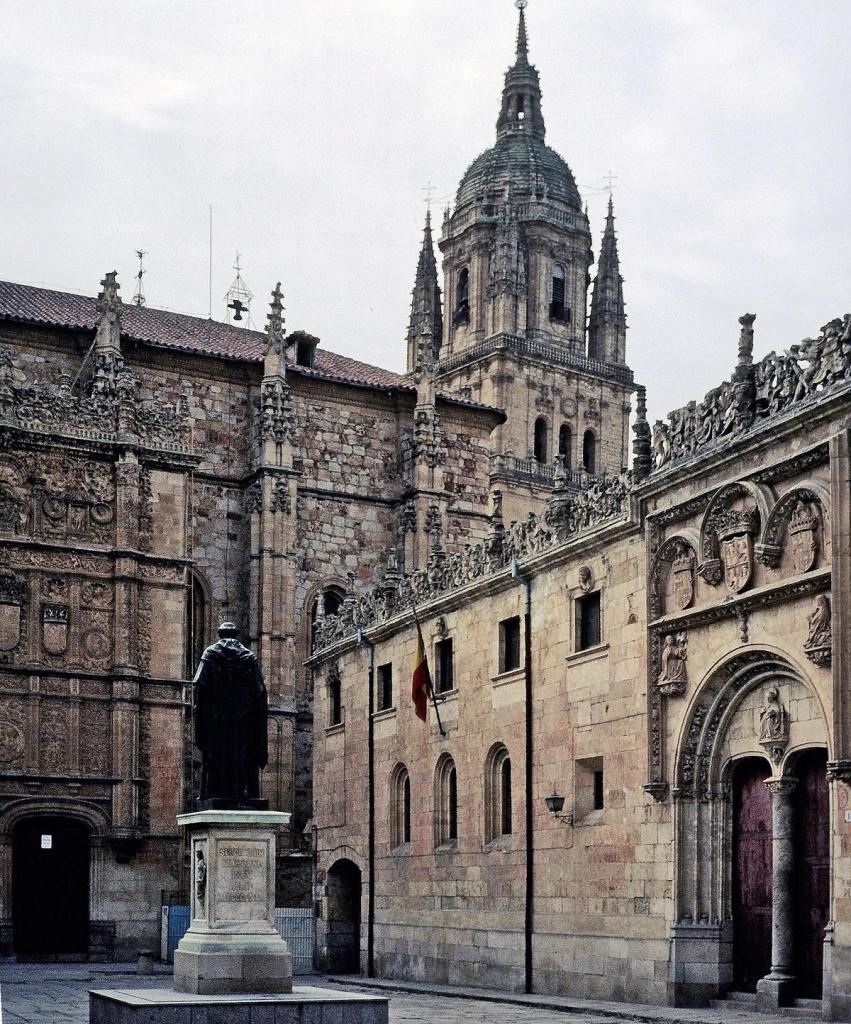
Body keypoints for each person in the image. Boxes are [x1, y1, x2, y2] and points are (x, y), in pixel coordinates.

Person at [193, 622, 268, 808]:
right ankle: (243, 793)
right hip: (244, 719)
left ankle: (216, 792)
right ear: (236, 635)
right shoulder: (249, 657)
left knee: (218, 755)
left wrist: (201, 712)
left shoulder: (210, 654)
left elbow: (199, 685)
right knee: (242, 755)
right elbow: (260, 690)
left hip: (218, 719)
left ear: (220, 634)